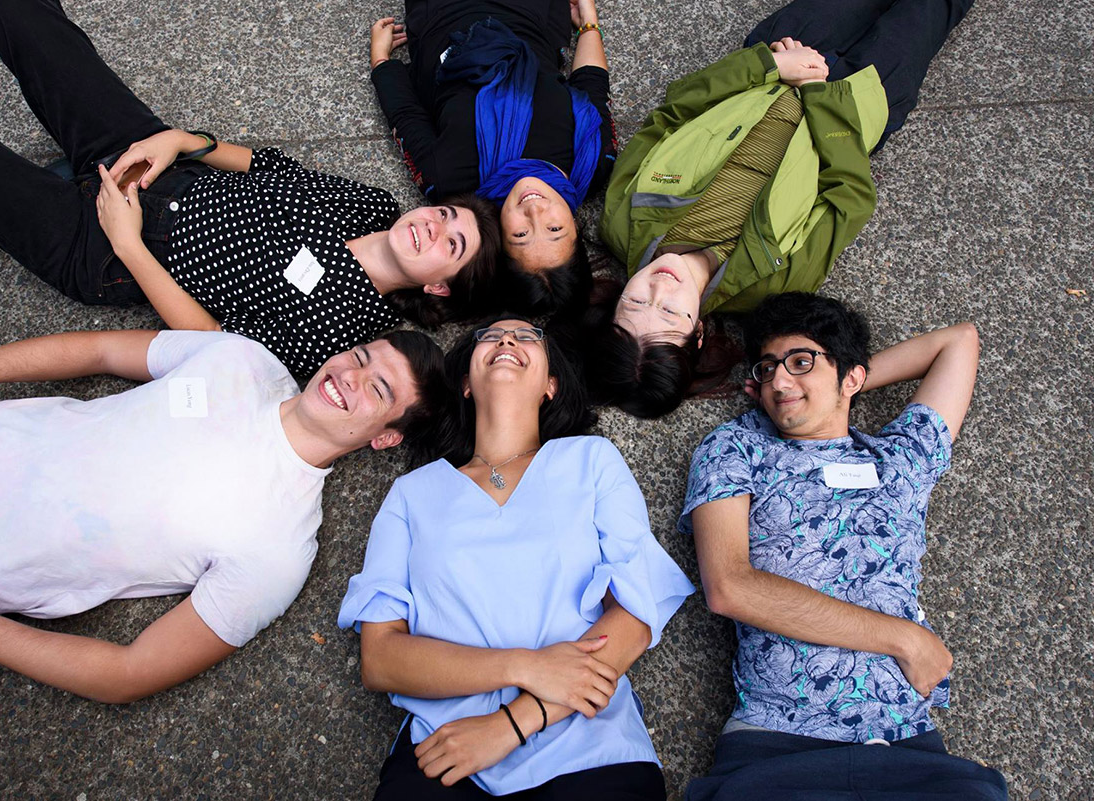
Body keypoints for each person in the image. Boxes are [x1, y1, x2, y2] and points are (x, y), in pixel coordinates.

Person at [0, 0, 500, 381]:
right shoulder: (373, 205)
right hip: (153, 162)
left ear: (439, 286)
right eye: (446, 215)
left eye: (451, 245)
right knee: (21, 15)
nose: (434, 227)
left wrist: (127, 242)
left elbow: (211, 345)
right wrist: (183, 141)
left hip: (105, 250)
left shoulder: (345, 330)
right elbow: (271, 167)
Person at [0, 325, 449, 702]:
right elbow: (101, 349)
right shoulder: (244, 359)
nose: (349, 376)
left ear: (385, 438)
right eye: (360, 356)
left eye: (377, 388)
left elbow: (130, 673)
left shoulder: (280, 549)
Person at [337, 317, 694, 798]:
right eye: (490, 336)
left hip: (589, 749)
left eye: (528, 337)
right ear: (466, 383)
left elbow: (636, 611)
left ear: (551, 386)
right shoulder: (410, 494)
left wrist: (512, 724)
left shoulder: (592, 460)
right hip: (444, 750)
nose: (507, 339)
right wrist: (524, 666)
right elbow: (380, 659)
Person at [680, 293, 1006, 799]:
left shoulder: (902, 460)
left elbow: (958, 341)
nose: (777, 381)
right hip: (778, 742)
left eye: (800, 361)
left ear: (852, 376)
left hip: (907, 745)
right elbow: (730, 587)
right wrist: (904, 639)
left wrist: (840, 385)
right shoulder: (737, 448)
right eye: (767, 369)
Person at [583, 0, 973, 418]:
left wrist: (767, 65)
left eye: (635, 303)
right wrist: (819, 96)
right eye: (669, 312)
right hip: (853, 103)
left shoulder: (621, 220)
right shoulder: (772, 285)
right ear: (697, 332)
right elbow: (850, 198)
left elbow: (671, 114)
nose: (658, 288)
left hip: (780, 54)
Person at [368, 0, 616, 313]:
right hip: (535, 16)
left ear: (500, 240)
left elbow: (406, 116)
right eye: (555, 230)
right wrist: (589, 25)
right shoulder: (592, 163)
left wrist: (381, 61)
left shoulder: (453, 186)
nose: (534, 211)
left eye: (521, 234)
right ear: (575, 229)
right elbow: (591, 82)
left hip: (442, 15)